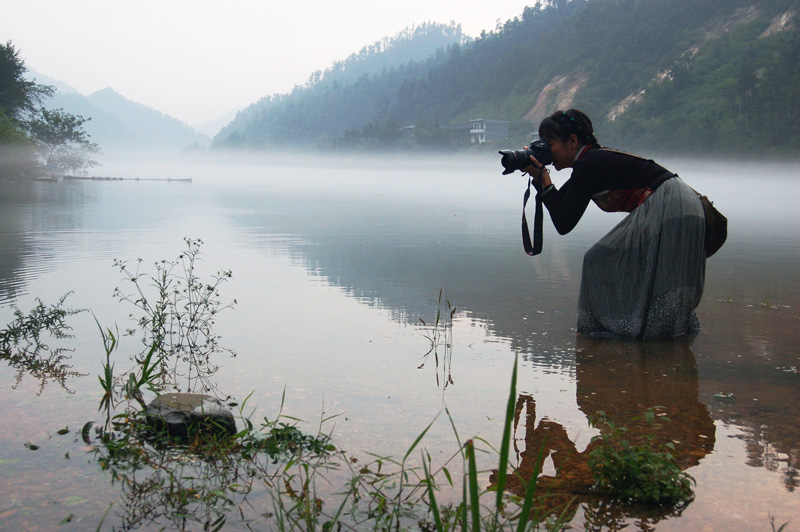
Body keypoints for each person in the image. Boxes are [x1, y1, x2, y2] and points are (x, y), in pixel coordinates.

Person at [524, 109, 705, 339]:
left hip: (671, 204)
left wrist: (545, 179)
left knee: (597, 260)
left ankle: (618, 330)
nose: (547, 152)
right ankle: (662, 341)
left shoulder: (589, 163)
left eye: (549, 144)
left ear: (572, 141)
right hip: (684, 203)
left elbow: (564, 222)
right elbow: (561, 209)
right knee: (656, 273)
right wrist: (540, 179)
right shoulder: (591, 161)